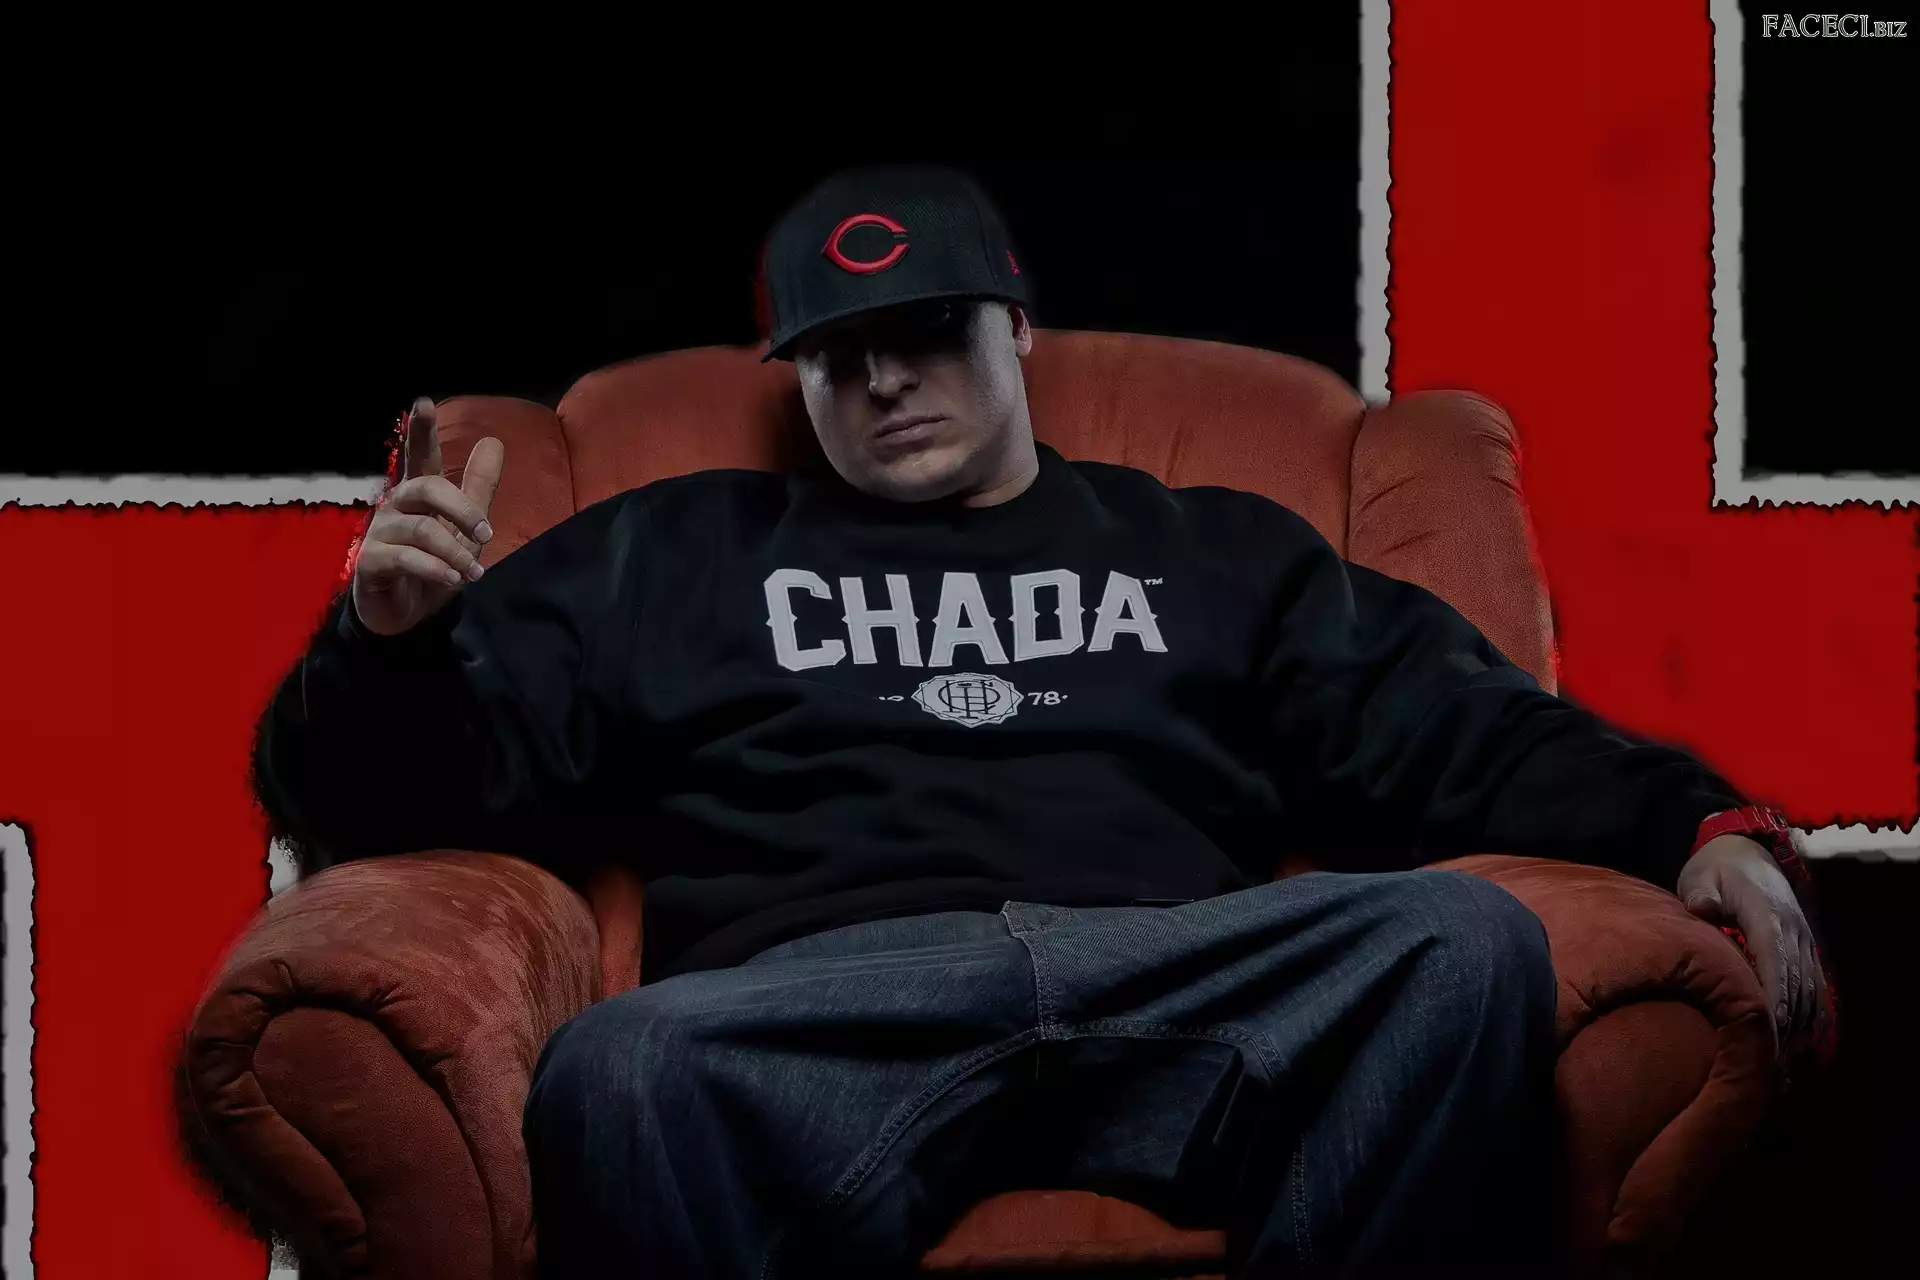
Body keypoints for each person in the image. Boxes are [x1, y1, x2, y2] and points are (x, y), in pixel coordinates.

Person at [252, 165, 1831, 1278]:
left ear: (1017, 330)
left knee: (1464, 942)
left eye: (929, 331)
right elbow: (383, 798)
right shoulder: (665, 552)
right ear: (798, 378)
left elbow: (1458, 722)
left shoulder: (1210, 547)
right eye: (840, 355)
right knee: (614, 1069)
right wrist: (387, 646)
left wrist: (1694, 826)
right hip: (827, 1011)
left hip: (1182, 985)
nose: (887, 381)